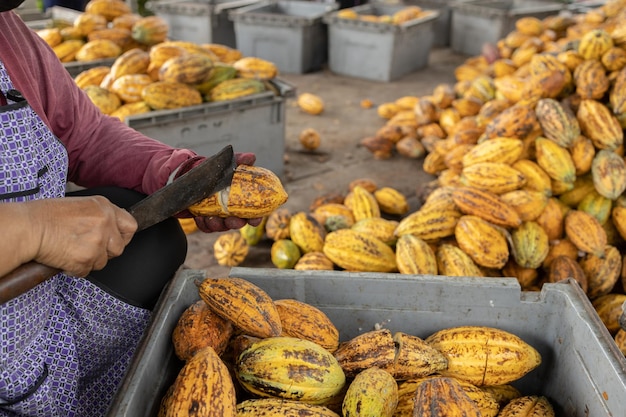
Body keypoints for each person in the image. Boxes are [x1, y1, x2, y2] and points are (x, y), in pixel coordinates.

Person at [0, 2, 261, 416]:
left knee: (151, 239)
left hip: (33, 306)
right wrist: (32, 228)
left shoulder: (8, 33)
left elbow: (84, 135)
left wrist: (175, 173)